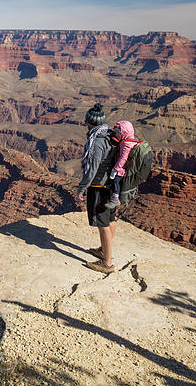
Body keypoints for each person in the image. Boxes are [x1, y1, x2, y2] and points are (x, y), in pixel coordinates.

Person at [76, 103, 117, 274]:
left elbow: (92, 168)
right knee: (110, 219)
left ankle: (106, 264)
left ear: (91, 123)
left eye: (87, 122)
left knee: (102, 224)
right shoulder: (109, 134)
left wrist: (82, 187)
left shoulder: (97, 141)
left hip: (99, 185)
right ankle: (104, 250)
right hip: (112, 184)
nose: (86, 124)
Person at [105, 120, 140, 210]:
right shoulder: (131, 140)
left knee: (115, 181)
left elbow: (123, 158)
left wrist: (115, 169)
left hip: (122, 169)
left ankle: (115, 199)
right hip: (125, 167)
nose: (116, 135)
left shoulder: (126, 144)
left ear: (124, 132)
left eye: (118, 133)